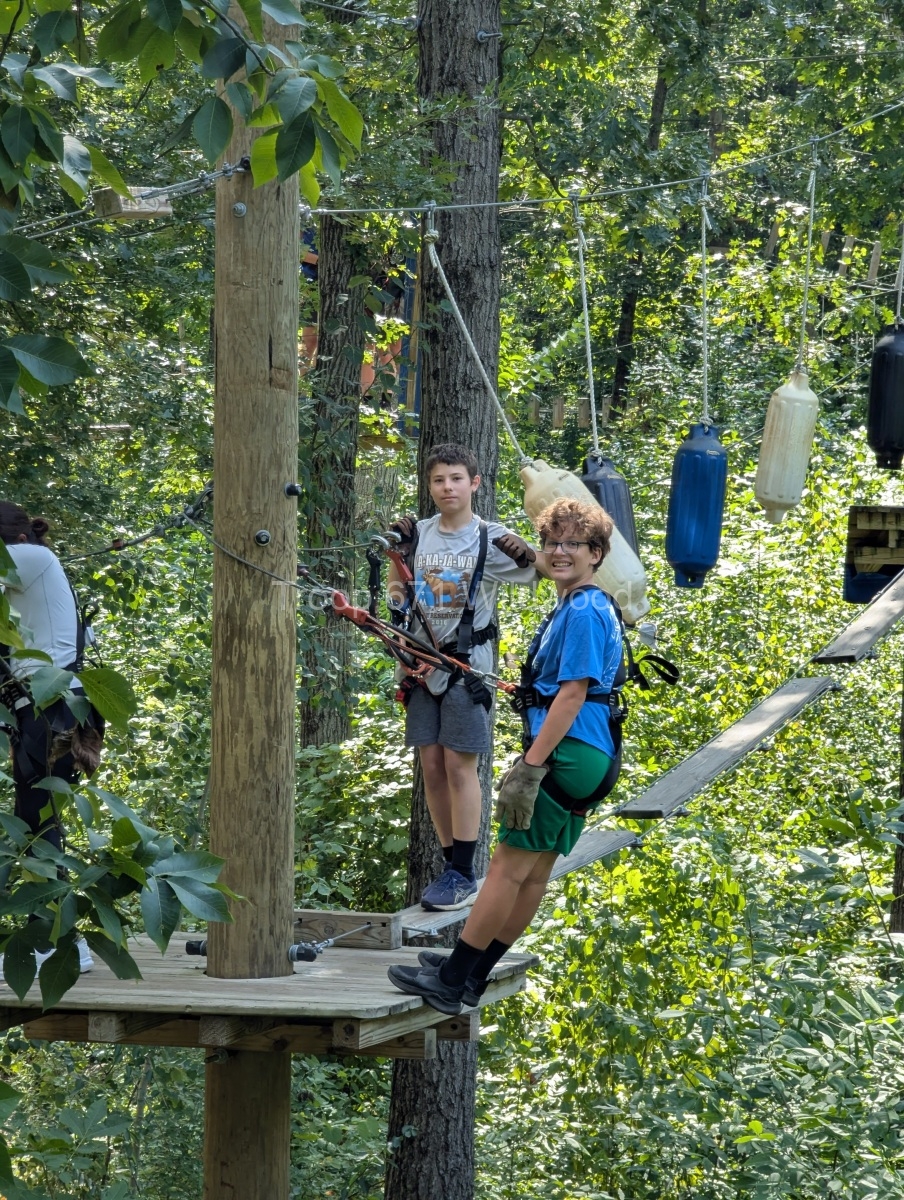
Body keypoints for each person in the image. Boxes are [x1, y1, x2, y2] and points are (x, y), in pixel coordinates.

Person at [387, 496, 623, 1013]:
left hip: (568, 753)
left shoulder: (584, 610)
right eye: (552, 542)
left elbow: (573, 695)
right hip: (592, 755)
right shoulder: (583, 603)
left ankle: (452, 979)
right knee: (532, 875)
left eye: (574, 544)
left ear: (597, 554)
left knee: (504, 871)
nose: (559, 552)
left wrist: (531, 765)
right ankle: (472, 974)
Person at [388, 443, 543, 912]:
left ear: (474, 483)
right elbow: (398, 591)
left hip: (466, 665)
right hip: (418, 663)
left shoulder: (489, 538)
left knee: (459, 765)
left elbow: (547, 569)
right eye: (438, 480)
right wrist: (397, 566)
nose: (447, 487)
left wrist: (528, 554)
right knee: (432, 766)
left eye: (456, 478)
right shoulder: (419, 535)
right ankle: (449, 863)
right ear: (429, 485)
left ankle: (463, 871)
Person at [0, 501, 103, 975]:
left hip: (53, 702)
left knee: (39, 822)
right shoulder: (26, 573)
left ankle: (59, 942)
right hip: (42, 705)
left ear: (17, 540)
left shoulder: (32, 557)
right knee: (36, 819)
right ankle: (55, 939)